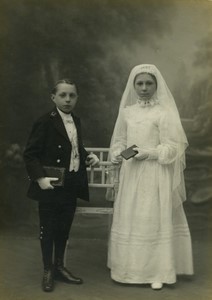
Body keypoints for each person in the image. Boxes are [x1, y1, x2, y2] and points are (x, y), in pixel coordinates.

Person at [107, 64, 194, 290]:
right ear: (134, 86)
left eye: (149, 83)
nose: (144, 88)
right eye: (140, 83)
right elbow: (119, 141)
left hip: (155, 173)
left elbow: (173, 148)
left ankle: (157, 271)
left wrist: (150, 153)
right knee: (132, 217)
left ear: (156, 85)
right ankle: (126, 269)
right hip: (131, 174)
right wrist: (117, 153)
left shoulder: (164, 113)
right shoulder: (127, 112)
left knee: (152, 218)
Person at [23, 78, 99, 292]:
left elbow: (74, 147)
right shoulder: (45, 121)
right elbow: (30, 155)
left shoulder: (76, 120)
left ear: (77, 98)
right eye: (63, 95)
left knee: (64, 229)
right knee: (47, 229)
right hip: (51, 184)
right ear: (53, 97)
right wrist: (40, 178)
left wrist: (88, 156)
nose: (67, 99)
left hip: (71, 184)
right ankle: (48, 270)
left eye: (72, 95)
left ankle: (59, 267)